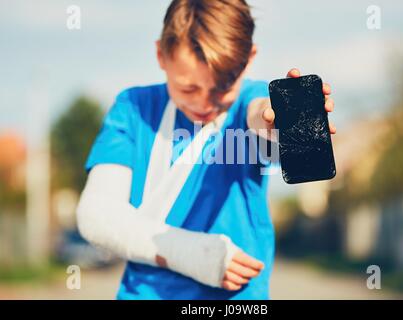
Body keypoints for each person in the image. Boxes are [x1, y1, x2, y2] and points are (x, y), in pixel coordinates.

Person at [76, 0, 336, 300]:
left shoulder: (248, 102)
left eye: (223, 88)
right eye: (188, 88)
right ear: (161, 54)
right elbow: (97, 215)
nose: (205, 104)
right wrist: (194, 254)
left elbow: (258, 113)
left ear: (249, 58)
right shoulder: (133, 108)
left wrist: (276, 121)